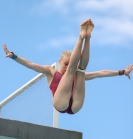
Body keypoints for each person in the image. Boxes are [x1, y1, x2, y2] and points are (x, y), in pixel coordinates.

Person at [2, 19, 133, 115]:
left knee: (80, 71)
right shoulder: (50, 71)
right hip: (60, 104)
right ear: (60, 61)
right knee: (73, 71)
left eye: (70, 64)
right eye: (66, 63)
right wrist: (13, 56)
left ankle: (87, 37)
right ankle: (81, 36)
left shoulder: (75, 71)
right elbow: (30, 64)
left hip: (75, 106)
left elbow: (100, 73)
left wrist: (122, 72)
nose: (68, 66)